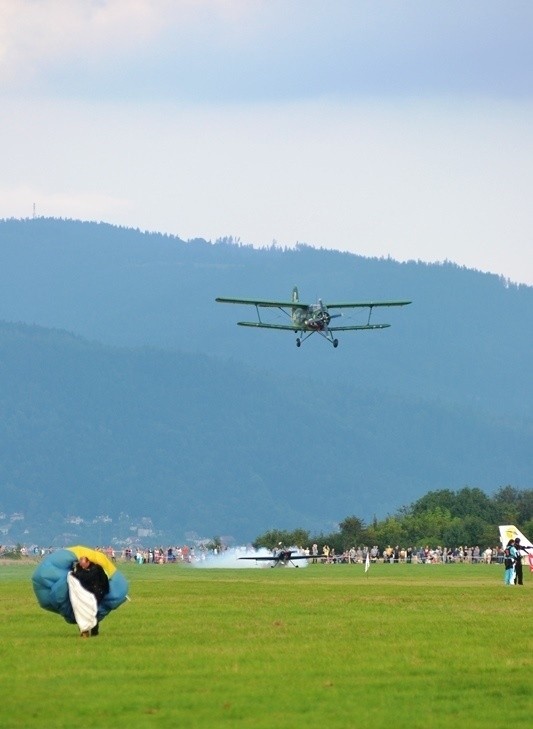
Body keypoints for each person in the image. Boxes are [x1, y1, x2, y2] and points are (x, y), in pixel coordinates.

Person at [68, 555, 110, 637]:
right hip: (85, 592)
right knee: (81, 611)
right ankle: (84, 630)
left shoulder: (96, 569)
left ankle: (94, 631)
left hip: (96, 592)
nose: (82, 566)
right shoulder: (79, 568)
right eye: (81, 564)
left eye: (83, 564)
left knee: (93, 611)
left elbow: (86, 577)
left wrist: (75, 574)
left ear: (88, 562)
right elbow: (79, 577)